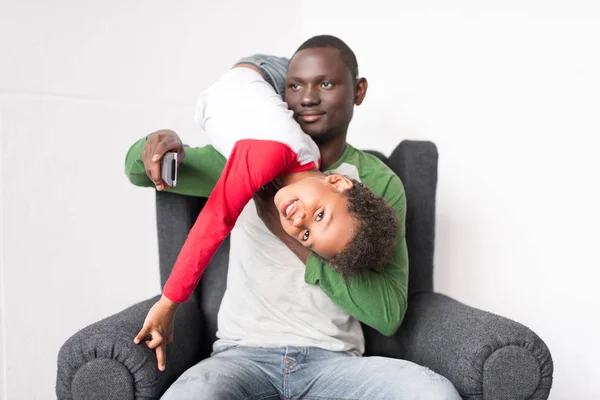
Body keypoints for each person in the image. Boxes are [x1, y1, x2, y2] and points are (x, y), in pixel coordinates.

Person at [125, 35, 461, 399]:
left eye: (327, 84)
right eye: (295, 85)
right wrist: (163, 140)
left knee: (432, 393)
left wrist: (291, 237)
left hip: (336, 364)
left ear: (358, 91)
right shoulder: (245, 153)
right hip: (241, 358)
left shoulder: (378, 182)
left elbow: (387, 313)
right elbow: (138, 171)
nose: (308, 98)